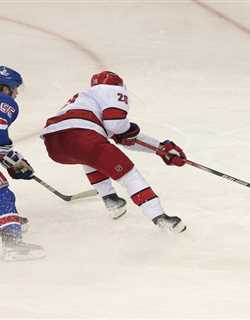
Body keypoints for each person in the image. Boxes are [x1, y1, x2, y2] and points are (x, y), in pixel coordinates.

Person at [41, 71, 187, 233]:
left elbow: (124, 137)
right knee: (129, 175)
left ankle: (111, 200)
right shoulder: (111, 90)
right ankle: (160, 217)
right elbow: (117, 126)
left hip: (54, 144)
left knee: (90, 156)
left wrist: (159, 148)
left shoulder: (83, 98)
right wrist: (135, 134)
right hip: (83, 136)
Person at [0, 66, 44, 261]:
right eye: (15, 88)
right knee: (2, 191)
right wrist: (15, 162)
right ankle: (12, 245)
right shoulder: (5, 102)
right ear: (5, 87)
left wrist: (13, 161)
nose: (16, 93)